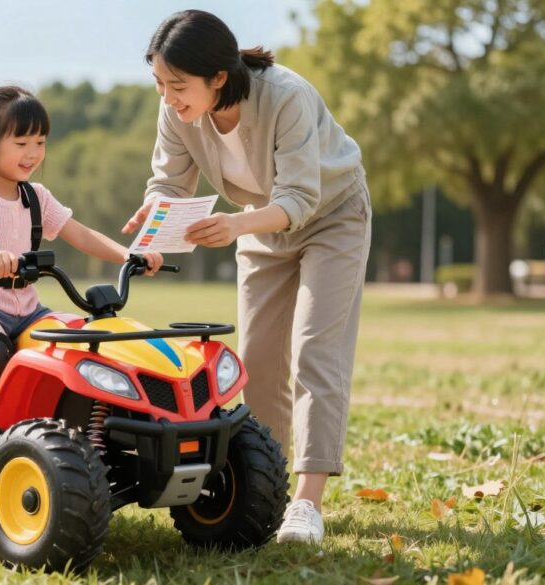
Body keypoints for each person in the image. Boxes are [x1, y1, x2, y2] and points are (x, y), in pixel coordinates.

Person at [122, 10, 372, 545]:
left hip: (332, 216)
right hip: (259, 222)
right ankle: (268, 491)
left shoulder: (286, 96)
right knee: (255, 363)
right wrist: (156, 229)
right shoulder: (177, 110)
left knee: (314, 350)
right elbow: (168, 182)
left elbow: (302, 197)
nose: (168, 97)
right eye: (160, 84)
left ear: (218, 77)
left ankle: (306, 504)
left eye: (178, 85)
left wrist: (235, 225)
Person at [0, 86, 163, 478]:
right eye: (21, 142)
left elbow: (81, 233)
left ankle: (81, 438)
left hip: (25, 309)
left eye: (40, 142)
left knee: (82, 341)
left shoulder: (36, 196)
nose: (33, 153)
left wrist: (129, 255)